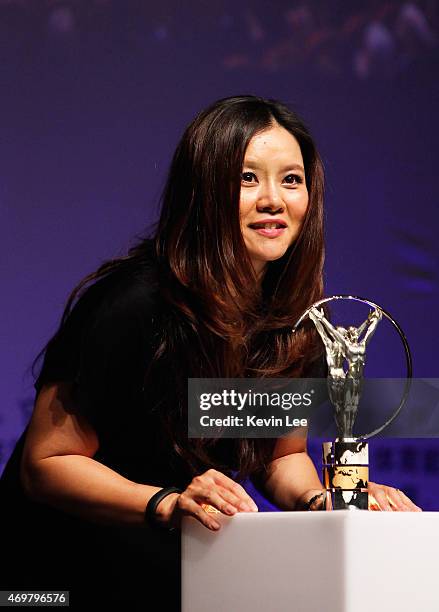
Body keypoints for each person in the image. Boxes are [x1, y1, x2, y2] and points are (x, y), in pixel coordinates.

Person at [0, 95, 421, 611]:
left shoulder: (296, 319)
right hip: (53, 579)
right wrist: (167, 502)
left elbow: (279, 455)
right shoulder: (133, 304)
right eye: (247, 179)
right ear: (203, 192)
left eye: (291, 180)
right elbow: (46, 464)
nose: (273, 200)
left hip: (173, 576)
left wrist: (325, 504)